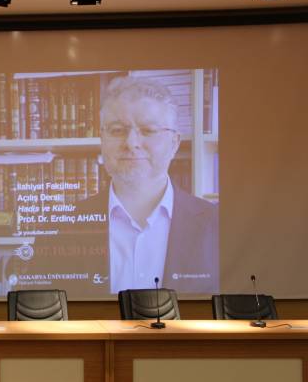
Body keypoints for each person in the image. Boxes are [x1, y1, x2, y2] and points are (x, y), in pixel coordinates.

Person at [79, 75, 218, 294]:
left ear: (174, 143)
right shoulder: (61, 228)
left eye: (149, 130)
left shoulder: (218, 227)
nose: (131, 143)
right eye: (117, 130)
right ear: (102, 140)